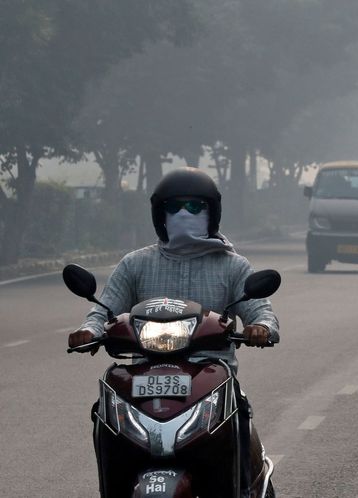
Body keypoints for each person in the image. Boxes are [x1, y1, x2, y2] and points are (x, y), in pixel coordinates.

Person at [68, 167, 279, 496]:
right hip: (141, 377)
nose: (184, 214)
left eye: (195, 207)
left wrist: (261, 328)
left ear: (212, 213)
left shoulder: (232, 265)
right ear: (159, 215)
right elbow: (104, 310)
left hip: (210, 376)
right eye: (174, 207)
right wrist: (89, 330)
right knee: (104, 416)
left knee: (241, 429)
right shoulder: (135, 264)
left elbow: (260, 309)